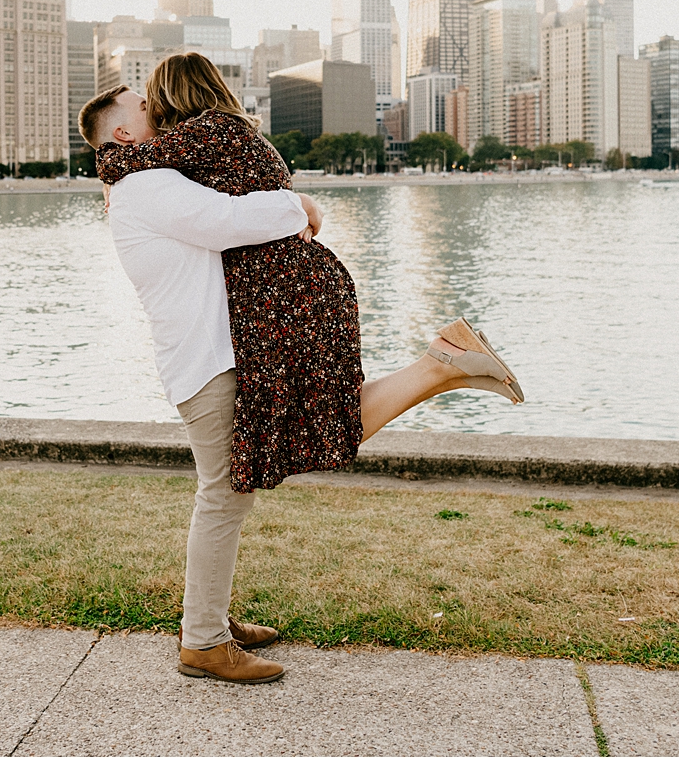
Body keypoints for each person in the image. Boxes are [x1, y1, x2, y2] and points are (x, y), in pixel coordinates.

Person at [78, 55, 521, 685]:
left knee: (234, 492)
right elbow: (230, 222)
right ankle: (202, 641)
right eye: (144, 108)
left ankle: (211, 619)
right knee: (224, 497)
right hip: (208, 361)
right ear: (123, 136)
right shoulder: (147, 184)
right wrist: (299, 204)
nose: (157, 107)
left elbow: (223, 207)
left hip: (221, 352)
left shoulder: (153, 175)